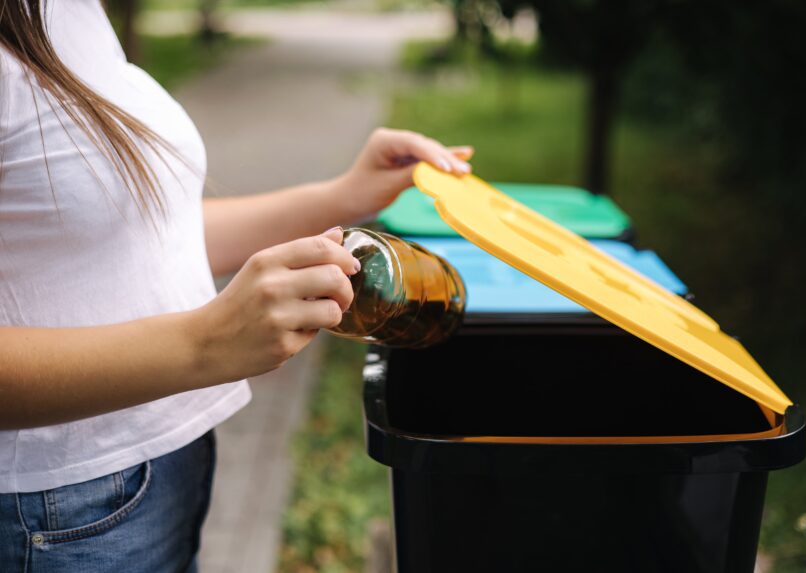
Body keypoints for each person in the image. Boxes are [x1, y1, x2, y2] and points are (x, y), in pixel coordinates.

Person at [0, 1, 472, 571]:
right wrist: (206, 342)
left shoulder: (64, 10)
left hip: (155, 471)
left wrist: (344, 196)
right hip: (58, 510)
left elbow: (134, 235)